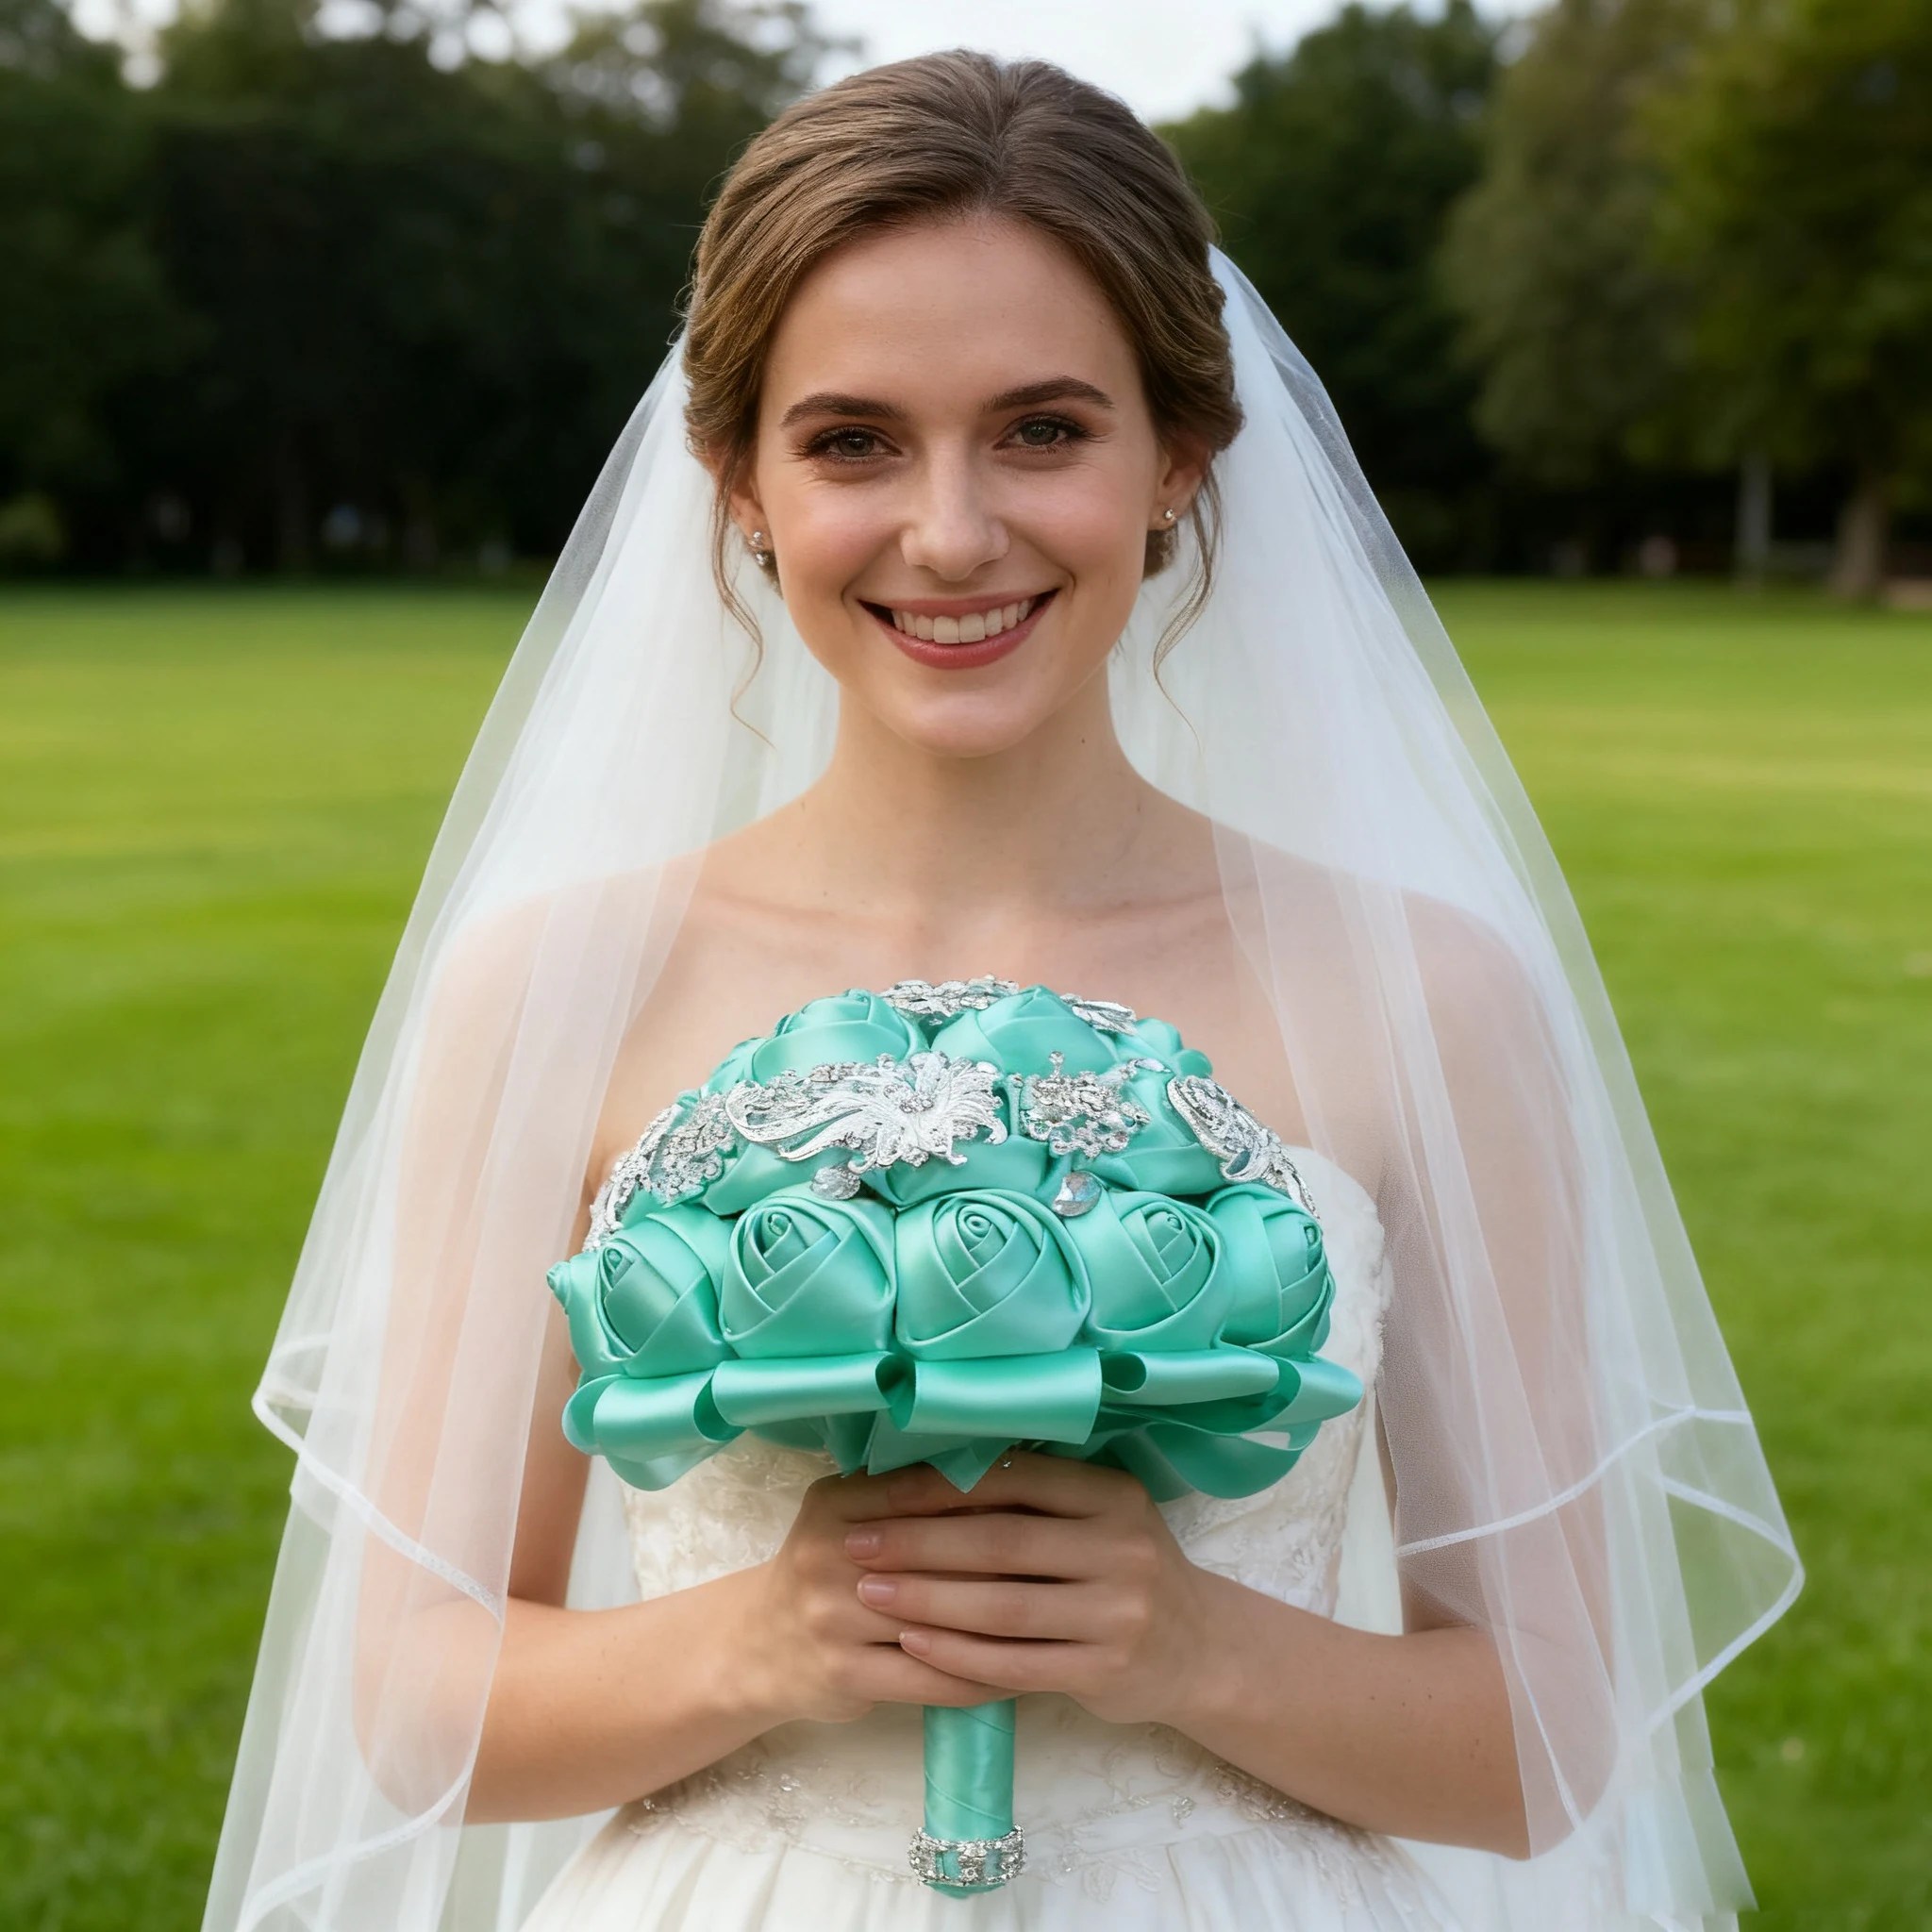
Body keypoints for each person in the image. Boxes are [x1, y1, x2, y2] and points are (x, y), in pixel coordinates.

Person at [202, 53, 1798, 1932]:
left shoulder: (1425, 994)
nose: (952, 533)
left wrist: (1188, 1644)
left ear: (1178, 456)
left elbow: (1549, 1739)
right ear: (737, 482)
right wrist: (769, 1639)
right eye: (853, 442)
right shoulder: (559, 987)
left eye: (1041, 430)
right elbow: (416, 1706)